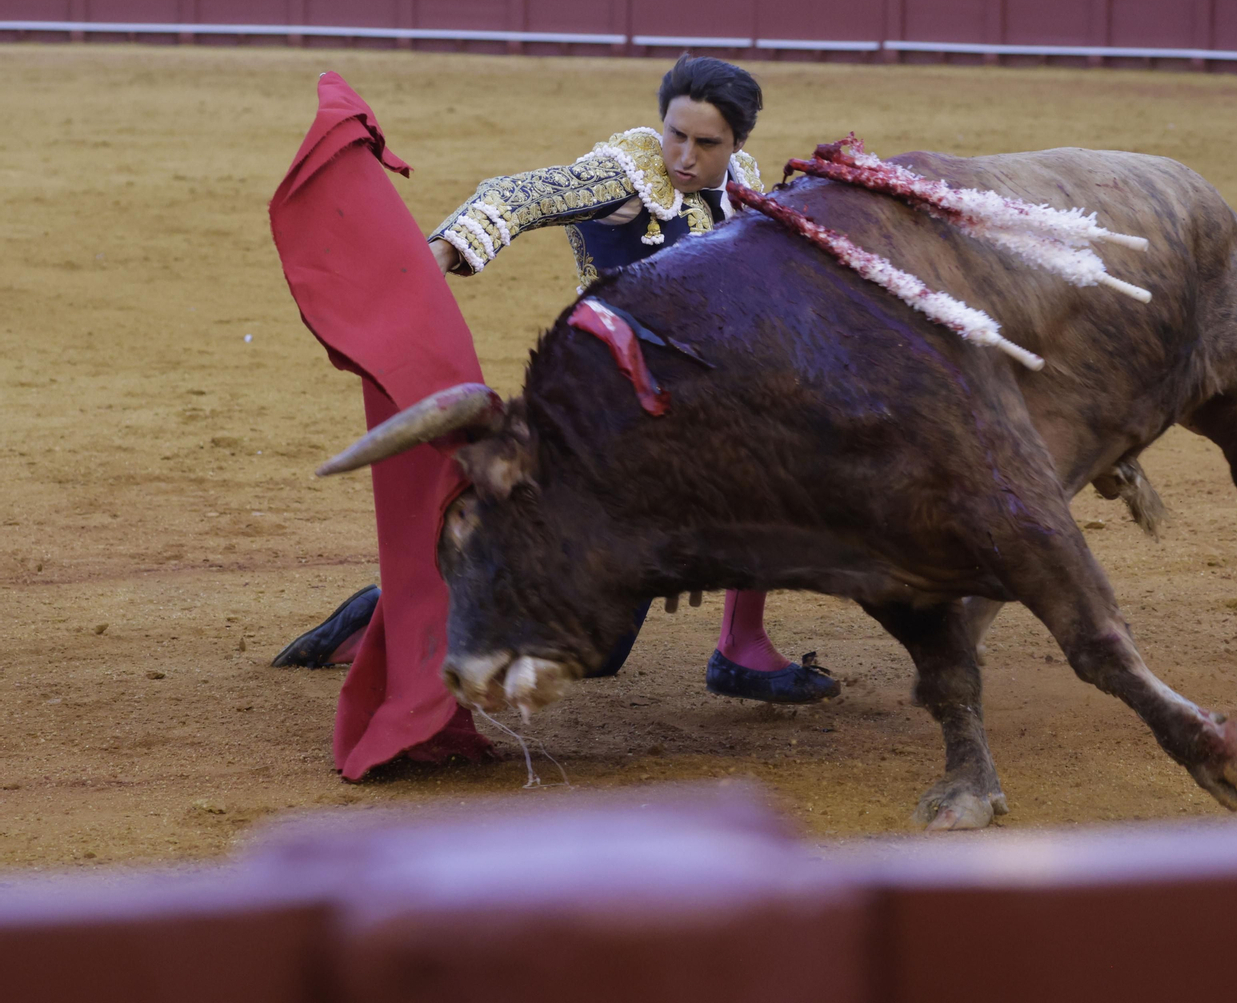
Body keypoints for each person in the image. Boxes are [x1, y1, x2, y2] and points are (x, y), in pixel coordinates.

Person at [277, 56, 840, 711]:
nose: (683, 156)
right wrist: (440, 254)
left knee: (773, 448)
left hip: (693, 414)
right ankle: (402, 613)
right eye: (675, 134)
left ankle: (741, 646)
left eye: (705, 143)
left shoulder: (742, 184)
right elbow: (521, 196)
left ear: (737, 143)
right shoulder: (627, 174)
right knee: (594, 652)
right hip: (610, 423)